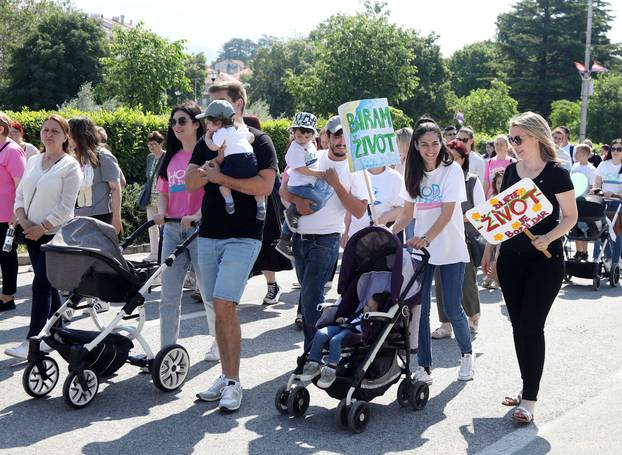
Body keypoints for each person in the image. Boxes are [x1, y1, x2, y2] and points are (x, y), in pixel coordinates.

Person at [187, 80, 277, 412]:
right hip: (209, 234)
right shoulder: (206, 140)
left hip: (244, 235)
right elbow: (190, 182)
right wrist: (210, 166)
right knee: (217, 308)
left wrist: (220, 176)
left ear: (238, 104)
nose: (211, 115)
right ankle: (225, 376)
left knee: (225, 304)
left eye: (220, 104)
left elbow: (265, 186)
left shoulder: (261, 141)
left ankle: (234, 381)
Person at [482, 112, 577, 424]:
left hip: (545, 263)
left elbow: (570, 217)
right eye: (511, 139)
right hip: (510, 260)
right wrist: (490, 249)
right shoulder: (510, 171)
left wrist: (548, 237)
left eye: (518, 139)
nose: (514, 145)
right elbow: (501, 216)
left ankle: (530, 400)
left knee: (532, 327)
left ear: (536, 136)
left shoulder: (557, 174)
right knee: (518, 327)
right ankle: (526, 387)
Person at [392, 117, 474, 386]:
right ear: (415, 146)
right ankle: (425, 367)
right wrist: (386, 234)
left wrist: (426, 238)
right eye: (424, 144)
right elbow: (406, 214)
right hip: (422, 251)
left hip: (448, 247)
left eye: (435, 143)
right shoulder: (411, 173)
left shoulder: (451, 172)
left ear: (441, 143)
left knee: (451, 306)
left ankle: (466, 354)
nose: (430, 149)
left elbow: (447, 212)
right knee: (422, 309)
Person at [281, 114, 367, 350]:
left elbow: (359, 211)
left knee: (311, 298)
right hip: (300, 238)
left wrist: (337, 185)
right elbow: (284, 190)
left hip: (327, 239)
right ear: (326, 137)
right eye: (337, 135)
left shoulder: (356, 170)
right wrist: (297, 202)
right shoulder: (312, 157)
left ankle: (312, 350)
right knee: (308, 296)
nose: (341, 141)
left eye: (346, 137)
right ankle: (321, 343)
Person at [4, 114, 82, 359]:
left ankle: (33, 341)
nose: (49, 135)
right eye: (45, 130)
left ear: (65, 136)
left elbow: (66, 207)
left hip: (54, 235)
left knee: (40, 286)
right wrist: (24, 220)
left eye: (55, 131)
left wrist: (43, 226)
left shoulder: (70, 166)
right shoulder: (34, 160)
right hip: (30, 233)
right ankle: (59, 331)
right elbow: (20, 195)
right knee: (46, 282)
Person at [151, 102, 217, 358]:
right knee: (168, 295)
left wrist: (197, 214)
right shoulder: (170, 158)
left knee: (209, 292)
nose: (176, 126)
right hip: (172, 230)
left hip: (201, 231)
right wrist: (160, 211)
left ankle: (218, 341)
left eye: (182, 121)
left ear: (196, 124)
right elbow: (164, 192)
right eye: (174, 122)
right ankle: (167, 350)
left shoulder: (208, 156)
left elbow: (213, 193)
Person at [432, 139, 484, 339]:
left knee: (466, 281)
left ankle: (472, 317)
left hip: (465, 237)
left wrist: (455, 216)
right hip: (440, 236)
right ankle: (445, 324)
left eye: (454, 158)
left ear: (463, 160)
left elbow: (480, 211)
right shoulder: (437, 179)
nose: (449, 161)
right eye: (446, 157)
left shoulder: (472, 181)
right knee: (441, 281)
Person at [244, 115, 293, 306]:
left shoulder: (263, 145)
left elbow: (272, 181)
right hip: (243, 204)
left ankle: (272, 285)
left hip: (266, 203)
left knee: (265, 245)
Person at [275, 112, 335, 259]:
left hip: (307, 184)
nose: (302, 140)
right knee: (319, 202)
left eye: (307, 137)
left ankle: (285, 237)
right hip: (299, 186)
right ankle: (292, 213)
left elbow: (314, 161)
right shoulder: (294, 149)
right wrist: (318, 174)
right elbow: (301, 169)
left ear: (312, 135)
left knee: (307, 205)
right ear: (293, 133)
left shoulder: (310, 146)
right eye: (299, 136)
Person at [300, 291, 388, 388]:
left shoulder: (371, 321)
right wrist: (343, 319)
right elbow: (351, 319)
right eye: (367, 305)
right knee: (320, 334)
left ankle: (331, 371)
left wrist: (367, 322)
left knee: (335, 340)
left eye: (371, 308)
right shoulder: (360, 313)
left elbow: (367, 332)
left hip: (353, 333)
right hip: (343, 326)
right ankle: (313, 363)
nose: (367, 308)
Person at [199, 100, 266, 223]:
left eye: (208, 122)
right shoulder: (240, 129)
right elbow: (251, 138)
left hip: (234, 161)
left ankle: (229, 201)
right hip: (250, 160)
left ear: (218, 123)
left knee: (223, 184)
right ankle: (261, 205)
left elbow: (213, 147)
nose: (207, 125)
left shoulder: (221, 132)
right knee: (256, 187)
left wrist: (207, 138)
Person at [69, 118, 123, 234]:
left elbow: (116, 188)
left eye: (68, 131)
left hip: (99, 217)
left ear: (78, 134)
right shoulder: (71, 157)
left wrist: (116, 219)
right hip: (75, 217)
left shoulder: (103, 155)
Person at [0, 112, 27, 312]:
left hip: (7, 216)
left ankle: (7, 297)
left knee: (6, 256)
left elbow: (22, 186)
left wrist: (15, 215)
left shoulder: (12, 151)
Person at [343, 165, 404, 242]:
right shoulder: (356, 174)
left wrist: (385, 218)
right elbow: (350, 207)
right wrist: (345, 231)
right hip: (356, 236)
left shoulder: (395, 178)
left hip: (381, 239)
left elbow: (405, 209)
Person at [591, 138, 622, 265]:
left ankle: (615, 261)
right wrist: (596, 189)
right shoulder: (604, 164)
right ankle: (608, 258)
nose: (615, 151)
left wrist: (614, 194)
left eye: (619, 149)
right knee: (599, 230)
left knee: (615, 231)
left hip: (617, 202)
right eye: (613, 149)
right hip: (603, 200)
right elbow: (597, 182)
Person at [571, 144, 597, 261]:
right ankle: (578, 251)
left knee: (584, 227)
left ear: (586, 154)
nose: (575, 154)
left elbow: (592, 186)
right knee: (575, 227)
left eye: (578, 152)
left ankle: (585, 251)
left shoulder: (591, 169)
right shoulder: (574, 166)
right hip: (574, 200)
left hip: (585, 202)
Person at [144, 131, 166, 262]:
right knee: (151, 225)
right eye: (149, 144)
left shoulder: (166, 156)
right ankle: (154, 252)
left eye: (154, 144)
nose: (152, 147)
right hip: (150, 195)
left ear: (160, 144)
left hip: (163, 195)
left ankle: (163, 252)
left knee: (164, 226)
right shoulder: (149, 158)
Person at [481, 169, 505, 289]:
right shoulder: (493, 197)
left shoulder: (510, 197)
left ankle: (494, 277)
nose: (500, 185)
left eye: (503, 182)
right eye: (498, 183)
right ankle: (491, 276)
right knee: (490, 254)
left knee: (498, 255)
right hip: (494, 230)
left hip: (506, 232)